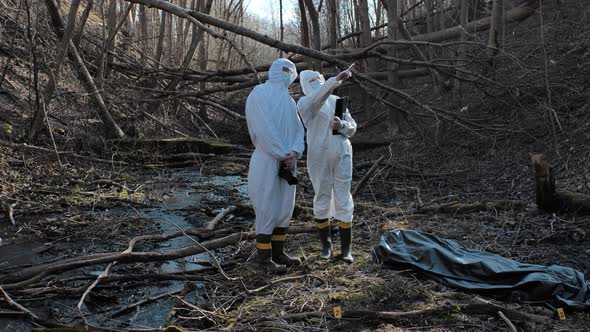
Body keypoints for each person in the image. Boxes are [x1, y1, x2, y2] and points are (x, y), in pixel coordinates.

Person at [245, 58, 305, 271]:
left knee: (284, 208)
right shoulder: (259, 94)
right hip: (267, 160)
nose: (290, 75)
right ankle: (263, 260)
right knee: (267, 206)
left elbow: (299, 130)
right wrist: (281, 153)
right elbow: (263, 128)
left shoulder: (289, 101)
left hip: (287, 162)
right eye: (288, 71)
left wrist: (294, 152)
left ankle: (278, 254)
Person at [297, 68, 357, 263]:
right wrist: (336, 80)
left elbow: (352, 127)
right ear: (305, 84)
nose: (316, 82)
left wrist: (342, 126)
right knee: (322, 196)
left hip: (342, 154)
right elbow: (317, 99)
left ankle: (346, 250)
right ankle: (326, 246)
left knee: (343, 197)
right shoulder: (305, 103)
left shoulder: (337, 102)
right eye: (312, 80)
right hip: (319, 156)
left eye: (318, 79)